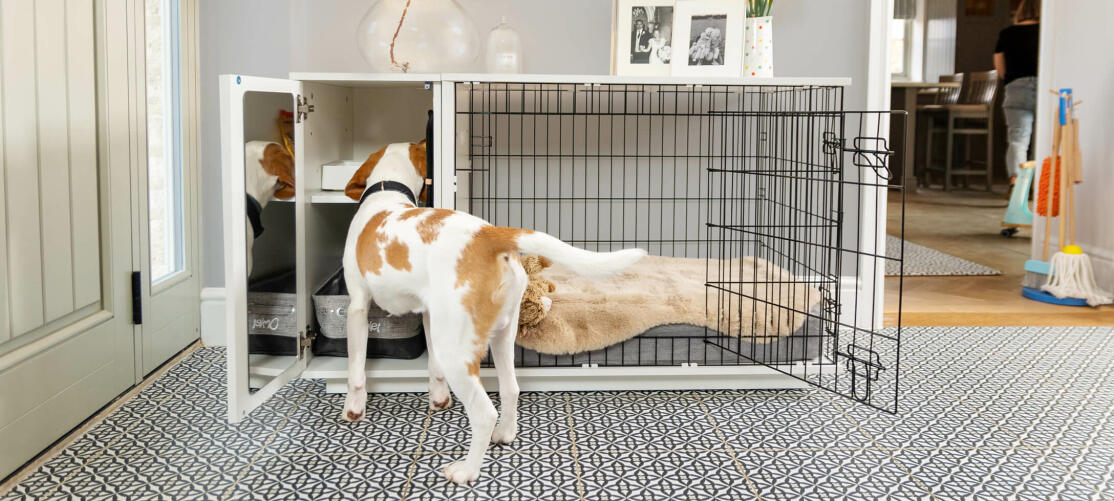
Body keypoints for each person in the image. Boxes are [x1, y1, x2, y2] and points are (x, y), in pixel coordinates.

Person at [994, 0, 1040, 186]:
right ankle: (1041, 184)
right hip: (1044, 90)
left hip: (1016, 89)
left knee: (1018, 139)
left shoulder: (1006, 34)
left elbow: (1001, 70)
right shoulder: (1046, 33)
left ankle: (1017, 181)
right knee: (1044, 137)